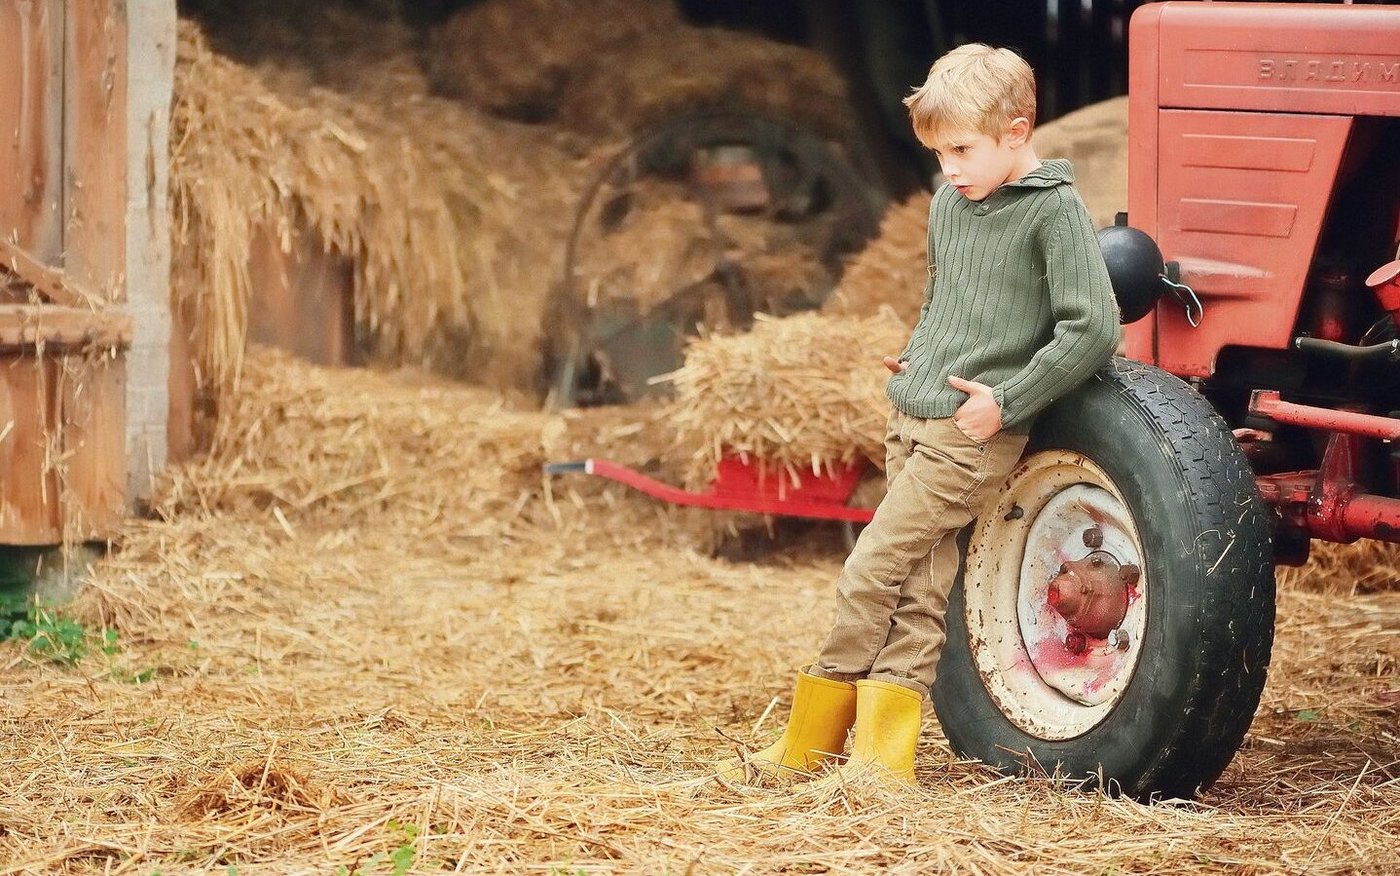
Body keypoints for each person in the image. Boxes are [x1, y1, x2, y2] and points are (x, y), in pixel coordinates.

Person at [724, 44, 1121, 786]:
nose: (952, 169)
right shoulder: (950, 204)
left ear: (1016, 130)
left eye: (963, 150)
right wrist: (920, 353)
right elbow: (948, 301)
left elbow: (1092, 327)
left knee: (869, 569)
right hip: (912, 415)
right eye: (940, 154)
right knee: (920, 587)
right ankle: (880, 762)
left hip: (969, 436)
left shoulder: (1054, 212)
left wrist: (1008, 400)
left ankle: (807, 741)